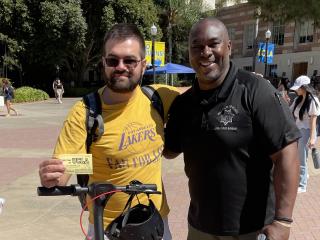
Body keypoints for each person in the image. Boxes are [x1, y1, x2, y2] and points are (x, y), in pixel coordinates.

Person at [163, 17, 301, 240]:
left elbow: (287, 153)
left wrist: (283, 221)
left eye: (213, 44)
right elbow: (169, 151)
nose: (205, 52)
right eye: (196, 46)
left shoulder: (256, 91)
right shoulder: (184, 104)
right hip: (200, 228)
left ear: (228, 47)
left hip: (251, 230)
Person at [38, 23, 179, 240]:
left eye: (130, 60)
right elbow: (71, 167)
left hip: (155, 223)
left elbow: (203, 99)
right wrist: (54, 176)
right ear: (103, 63)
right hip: (106, 229)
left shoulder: (160, 98)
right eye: (113, 60)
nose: (121, 66)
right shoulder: (85, 112)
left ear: (144, 64)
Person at [289, 75, 320, 193]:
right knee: (302, 157)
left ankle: (302, 185)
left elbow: (313, 123)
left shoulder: (313, 100)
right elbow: (289, 112)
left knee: (301, 159)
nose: (296, 90)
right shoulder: (298, 99)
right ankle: (304, 176)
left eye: (298, 88)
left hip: (307, 131)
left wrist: (312, 139)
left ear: (304, 87)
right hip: (298, 130)